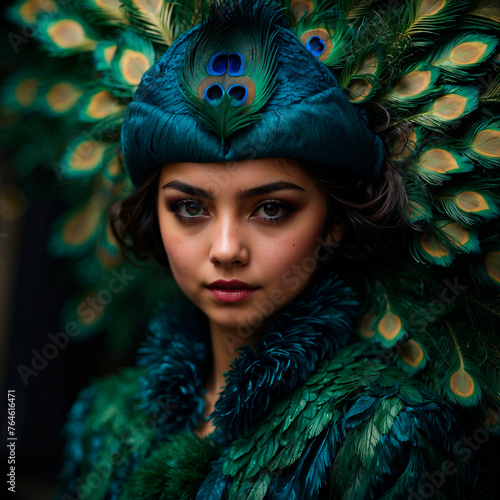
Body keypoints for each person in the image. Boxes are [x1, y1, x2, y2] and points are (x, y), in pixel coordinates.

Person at [55, 1, 499, 498]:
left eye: (270, 210)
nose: (225, 250)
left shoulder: (388, 435)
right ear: (152, 215)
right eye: (189, 209)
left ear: (332, 223)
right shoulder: (105, 420)